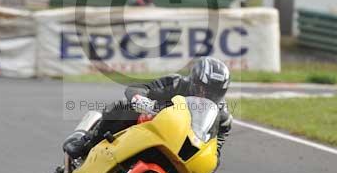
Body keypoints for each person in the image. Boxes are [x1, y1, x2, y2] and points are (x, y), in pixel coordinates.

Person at [64, 57, 232, 165]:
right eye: (203, 89)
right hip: (151, 121)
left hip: (178, 143)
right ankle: (87, 142)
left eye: (213, 93)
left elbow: (217, 144)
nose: (206, 95)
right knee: (123, 107)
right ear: (193, 80)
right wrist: (143, 101)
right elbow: (139, 87)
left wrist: (212, 162)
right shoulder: (176, 83)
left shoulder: (222, 116)